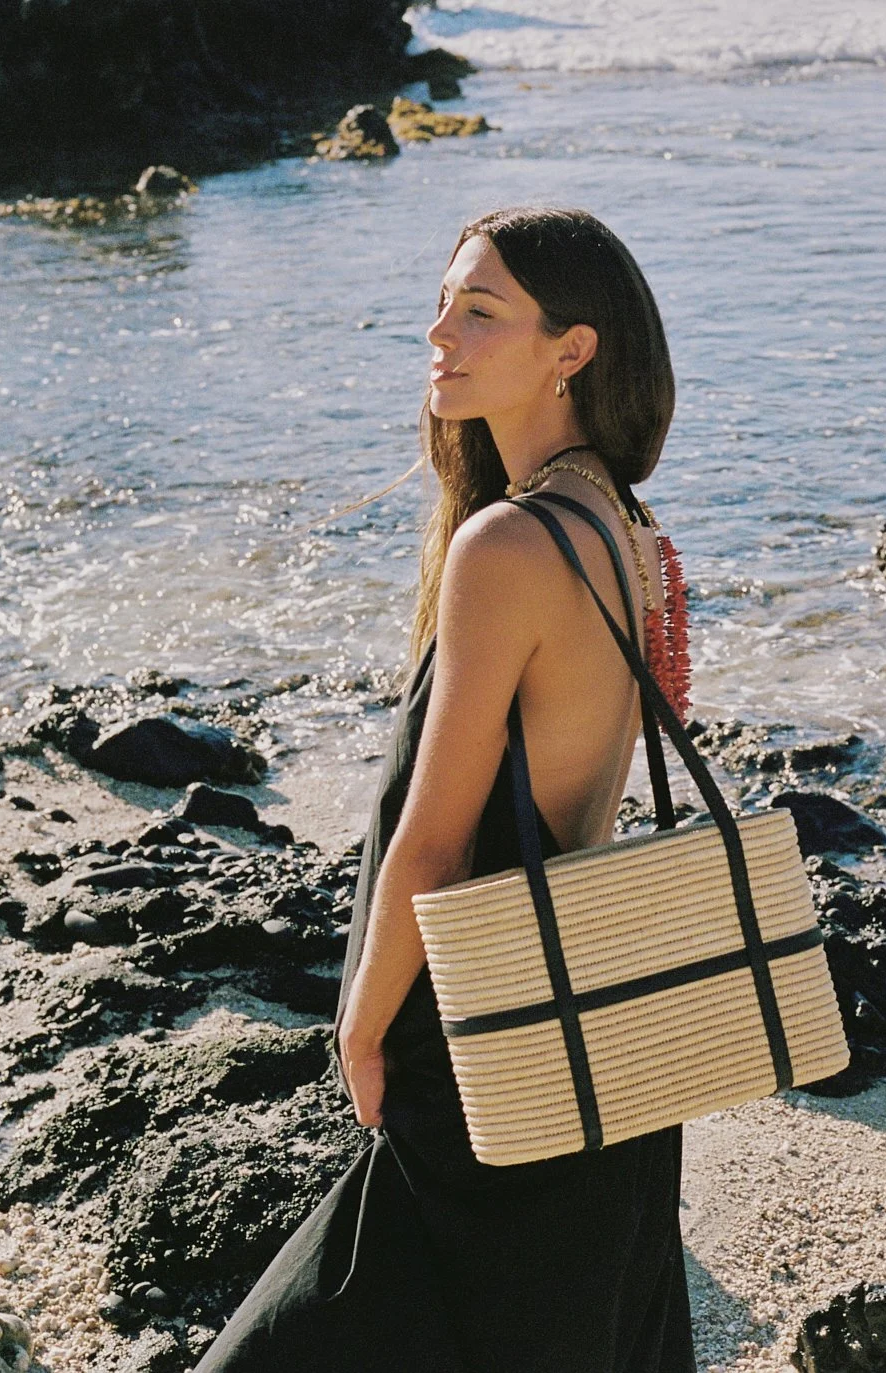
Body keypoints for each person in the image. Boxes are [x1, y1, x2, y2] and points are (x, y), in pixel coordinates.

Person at [191, 206, 695, 1372]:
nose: (438, 334)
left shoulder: (509, 546)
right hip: (588, 1025)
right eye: (441, 302)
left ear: (572, 349)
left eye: (479, 311)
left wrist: (358, 1027)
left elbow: (430, 839)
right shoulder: (626, 526)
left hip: (480, 1030)